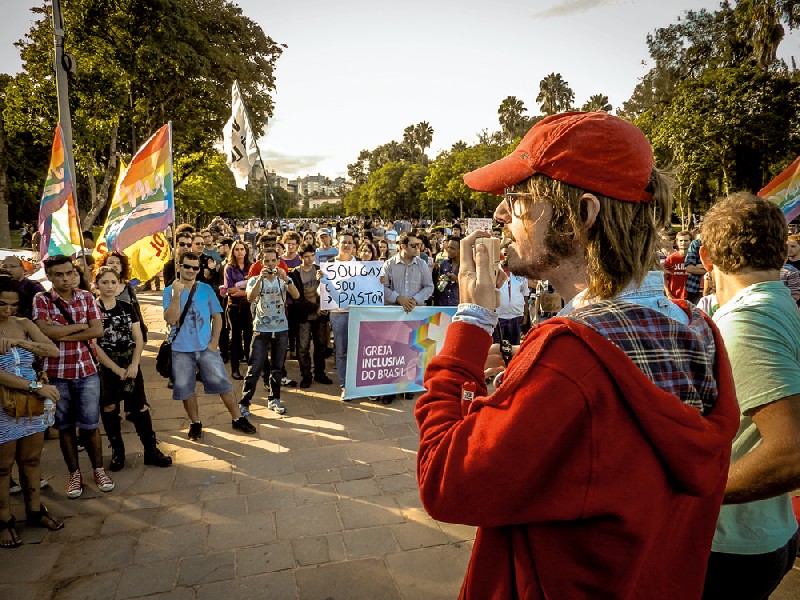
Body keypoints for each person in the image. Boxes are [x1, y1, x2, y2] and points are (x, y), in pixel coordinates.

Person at [416, 111, 739, 599]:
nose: (501, 214)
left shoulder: (570, 356)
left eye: (518, 199)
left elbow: (444, 480)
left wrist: (471, 321)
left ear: (581, 214)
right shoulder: (699, 329)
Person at [698, 192, 800, 600]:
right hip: (760, 535)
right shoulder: (777, 303)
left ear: (706, 258)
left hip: (732, 546)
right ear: (782, 252)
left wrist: (697, 493)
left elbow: (792, 452)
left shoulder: (749, 321)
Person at [32, 255, 114, 498]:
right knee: (65, 426)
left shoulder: (86, 297)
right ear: (49, 276)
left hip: (86, 370)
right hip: (56, 373)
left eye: (69, 273)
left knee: (90, 424)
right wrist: (80, 326)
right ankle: (74, 473)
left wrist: (60, 333)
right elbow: (44, 332)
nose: (65, 279)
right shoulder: (41, 299)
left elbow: (97, 330)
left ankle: (98, 469)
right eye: (59, 274)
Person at [163, 252, 256, 440]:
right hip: (181, 349)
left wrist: (214, 342)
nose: (190, 270)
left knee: (223, 384)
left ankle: (237, 418)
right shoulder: (170, 291)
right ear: (179, 266)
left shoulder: (205, 289)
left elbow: (217, 317)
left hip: (206, 347)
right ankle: (195, 423)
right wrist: (176, 295)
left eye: (195, 267)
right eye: (186, 266)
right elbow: (171, 319)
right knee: (186, 389)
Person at [0, 276, 63, 547]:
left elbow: (52, 351)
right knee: (3, 467)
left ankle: (35, 510)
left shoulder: (24, 324)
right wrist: (36, 386)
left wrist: (21, 343)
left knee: (32, 460)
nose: (8, 310)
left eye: (13, 304)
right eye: (2, 304)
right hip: (4, 405)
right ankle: (4, 521)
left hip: (31, 403)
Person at [92, 267, 171, 471]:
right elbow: (94, 344)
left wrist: (135, 363)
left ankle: (151, 450)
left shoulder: (127, 307)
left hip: (130, 362)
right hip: (106, 366)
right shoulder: (92, 310)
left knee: (139, 406)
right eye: (104, 282)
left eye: (113, 282)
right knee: (109, 407)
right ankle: (118, 452)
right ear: (96, 284)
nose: (110, 286)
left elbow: (138, 337)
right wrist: (114, 368)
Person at [240, 248, 299, 415]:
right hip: (261, 329)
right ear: (261, 263)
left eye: (274, 261)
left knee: (277, 368)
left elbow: (296, 295)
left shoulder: (283, 279)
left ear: (278, 262)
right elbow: (250, 298)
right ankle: (244, 402)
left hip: (281, 328)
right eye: (267, 261)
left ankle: (274, 399)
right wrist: (260, 278)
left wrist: (286, 279)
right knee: (254, 368)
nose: (271, 264)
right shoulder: (254, 280)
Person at [380, 231, 434, 404]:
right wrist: (399, 298)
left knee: (412, 351)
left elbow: (429, 287)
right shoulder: (389, 265)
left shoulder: (422, 264)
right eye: (413, 245)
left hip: (414, 314)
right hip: (394, 316)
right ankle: (389, 389)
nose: (418, 248)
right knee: (392, 352)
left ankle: (408, 386)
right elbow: (382, 287)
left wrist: (414, 300)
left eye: (419, 245)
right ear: (402, 246)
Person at [289, 244, 332, 388]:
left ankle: (320, 373)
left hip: (320, 316)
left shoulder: (320, 270)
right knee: (303, 347)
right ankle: (306, 375)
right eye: (306, 257)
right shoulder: (294, 274)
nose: (310, 259)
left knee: (321, 346)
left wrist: (322, 281)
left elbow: (328, 290)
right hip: (304, 317)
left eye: (312, 256)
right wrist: (315, 308)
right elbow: (297, 299)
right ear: (300, 257)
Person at [223, 241, 253, 380]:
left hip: (248, 307)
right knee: (235, 338)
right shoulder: (229, 268)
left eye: (242, 249)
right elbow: (230, 289)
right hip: (234, 307)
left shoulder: (251, 266)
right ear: (233, 252)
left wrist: (240, 290)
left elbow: (255, 286)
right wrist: (246, 290)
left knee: (249, 337)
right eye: (237, 249)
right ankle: (235, 369)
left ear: (246, 251)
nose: (240, 252)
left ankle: (251, 368)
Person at [0, 255, 44, 320]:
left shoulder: (34, 287)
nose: (8, 270)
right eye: (4, 267)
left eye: (13, 266)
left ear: (22, 269)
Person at [664, 230, 692, 300]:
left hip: (692, 295)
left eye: (686, 240)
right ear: (677, 242)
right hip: (675, 296)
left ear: (691, 241)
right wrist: (668, 294)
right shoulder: (671, 258)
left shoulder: (695, 258)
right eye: (681, 241)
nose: (683, 243)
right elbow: (664, 278)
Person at [433, 237, 460, 306]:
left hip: (458, 305)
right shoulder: (443, 264)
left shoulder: (466, 266)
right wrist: (440, 280)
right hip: (443, 304)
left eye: (452, 248)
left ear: (461, 250)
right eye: (448, 247)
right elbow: (437, 287)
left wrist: (456, 279)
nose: (448, 250)